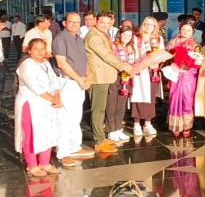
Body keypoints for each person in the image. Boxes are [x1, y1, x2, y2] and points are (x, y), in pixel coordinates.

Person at [84, 11, 136, 153]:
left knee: (100, 109)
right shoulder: (94, 36)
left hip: (104, 76)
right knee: (98, 110)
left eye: (108, 23)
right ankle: (99, 141)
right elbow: (107, 56)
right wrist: (124, 65)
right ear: (96, 21)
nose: (105, 25)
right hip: (98, 77)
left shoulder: (101, 33)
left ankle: (100, 137)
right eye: (102, 22)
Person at [14, 38, 62, 177]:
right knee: (31, 133)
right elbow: (35, 87)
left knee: (48, 130)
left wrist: (57, 95)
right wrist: (53, 99)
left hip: (47, 102)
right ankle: (32, 165)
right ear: (29, 50)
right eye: (36, 49)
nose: (40, 52)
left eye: (42, 49)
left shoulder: (46, 62)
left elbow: (54, 80)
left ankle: (44, 162)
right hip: (31, 103)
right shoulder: (26, 65)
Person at [52, 12, 94, 166]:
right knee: (65, 118)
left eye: (77, 22)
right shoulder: (60, 39)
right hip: (68, 82)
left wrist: (88, 77)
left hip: (80, 82)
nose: (75, 24)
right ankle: (63, 152)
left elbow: (85, 60)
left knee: (76, 117)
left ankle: (75, 146)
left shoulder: (79, 39)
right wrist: (79, 79)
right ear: (64, 23)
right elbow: (62, 63)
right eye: (71, 22)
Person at [131, 17, 165, 136]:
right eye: (147, 24)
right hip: (140, 71)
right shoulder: (136, 38)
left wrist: (157, 61)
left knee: (150, 98)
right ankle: (136, 123)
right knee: (138, 96)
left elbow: (162, 53)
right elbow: (132, 53)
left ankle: (147, 122)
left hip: (152, 72)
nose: (149, 27)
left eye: (152, 25)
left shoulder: (158, 39)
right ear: (143, 25)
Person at [166, 22, 200, 138]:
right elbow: (168, 59)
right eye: (183, 30)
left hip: (188, 76)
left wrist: (186, 68)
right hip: (175, 73)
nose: (185, 32)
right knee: (174, 98)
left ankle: (186, 126)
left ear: (192, 32)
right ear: (180, 30)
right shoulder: (172, 43)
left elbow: (197, 62)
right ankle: (176, 125)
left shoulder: (195, 46)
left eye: (188, 30)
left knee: (187, 99)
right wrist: (174, 67)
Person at [106, 26, 134, 142]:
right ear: (119, 35)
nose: (126, 37)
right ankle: (111, 130)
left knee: (121, 106)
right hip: (114, 77)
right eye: (124, 35)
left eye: (129, 35)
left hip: (126, 78)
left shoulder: (130, 48)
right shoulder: (113, 46)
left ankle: (118, 129)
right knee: (111, 105)